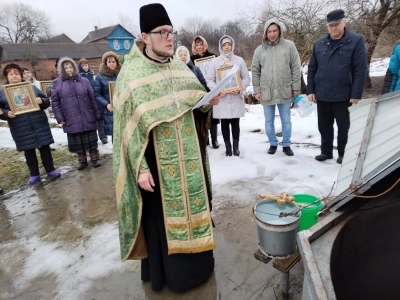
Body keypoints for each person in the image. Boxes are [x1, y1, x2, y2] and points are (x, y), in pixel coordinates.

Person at [113, 3, 222, 293]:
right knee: (159, 219)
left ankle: (199, 266)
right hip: (157, 168)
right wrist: (140, 168)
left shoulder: (181, 68)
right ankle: (169, 275)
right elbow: (125, 131)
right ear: (145, 36)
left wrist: (205, 107)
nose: (170, 38)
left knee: (194, 208)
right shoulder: (130, 76)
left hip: (190, 162)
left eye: (172, 32)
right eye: (162, 33)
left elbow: (194, 107)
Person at [307, 9, 367, 164]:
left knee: (344, 127)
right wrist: (311, 90)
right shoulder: (319, 43)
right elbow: (312, 68)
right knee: (324, 126)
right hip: (322, 93)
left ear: (344, 22)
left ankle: (343, 153)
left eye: (336, 24)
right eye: (330, 25)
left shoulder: (355, 41)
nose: (333, 28)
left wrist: (356, 93)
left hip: (344, 94)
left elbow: (361, 69)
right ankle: (326, 152)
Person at [0, 63, 60, 184]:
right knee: (29, 152)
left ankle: (50, 169)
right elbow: (0, 110)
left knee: (45, 149)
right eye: (11, 74)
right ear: (7, 77)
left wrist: (41, 101)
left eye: (16, 74)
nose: (14, 76)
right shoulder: (3, 92)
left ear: (21, 75)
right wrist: (6, 114)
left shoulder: (31, 87)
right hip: (20, 126)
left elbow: (46, 101)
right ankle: (34, 174)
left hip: (38, 123)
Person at [251, 18, 301, 157]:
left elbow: (296, 67)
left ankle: (286, 144)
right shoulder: (259, 50)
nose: (272, 34)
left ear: (279, 31)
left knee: (286, 120)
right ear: (265, 33)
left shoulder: (289, 46)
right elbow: (255, 71)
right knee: (268, 120)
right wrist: (257, 90)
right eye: (269, 31)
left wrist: (295, 87)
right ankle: (272, 143)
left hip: (285, 89)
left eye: (275, 31)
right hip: (267, 90)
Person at [51, 57, 103, 170]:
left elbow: (92, 97)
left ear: (74, 68)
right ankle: (82, 160)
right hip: (70, 116)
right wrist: (60, 118)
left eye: (70, 67)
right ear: (61, 69)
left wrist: (97, 113)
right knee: (77, 139)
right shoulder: (57, 83)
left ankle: (95, 158)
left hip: (87, 114)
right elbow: (55, 102)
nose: (69, 70)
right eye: (66, 68)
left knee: (90, 138)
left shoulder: (84, 80)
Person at [206, 35, 250, 156]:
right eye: (224, 45)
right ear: (221, 47)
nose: (227, 47)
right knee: (225, 123)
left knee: (235, 123)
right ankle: (228, 147)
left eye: (229, 45)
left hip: (235, 97)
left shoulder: (239, 60)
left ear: (232, 46)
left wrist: (240, 89)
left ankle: (236, 147)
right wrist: (217, 90)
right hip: (222, 99)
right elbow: (209, 79)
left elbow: (246, 77)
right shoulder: (215, 62)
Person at [191, 35, 220, 149]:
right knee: (202, 115)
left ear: (205, 45)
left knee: (213, 116)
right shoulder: (192, 60)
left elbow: (219, 71)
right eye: (197, 45)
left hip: (211, 89)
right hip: (199, 91)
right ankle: (205, 138)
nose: (199, 47)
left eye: (201, 44)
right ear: (194, 47)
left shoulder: (212, 57)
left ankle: (215, 139)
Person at [78, 58, 108, 145]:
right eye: (82, 65)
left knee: (100, 119)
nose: (85, 67)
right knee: (91, 120)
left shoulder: (93, 75)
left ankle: (103, 137)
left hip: (96, 100)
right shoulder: (79, 77)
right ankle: (94, 137)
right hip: (87, 102)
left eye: (86, 65)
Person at [94, 51, 121, 142]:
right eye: (109, 62)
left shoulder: (122, 74)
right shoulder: (100, 77)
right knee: (116, 134)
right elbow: (97, 94)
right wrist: (106, 104)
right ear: (105, 63)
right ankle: (117, 154)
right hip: (110, 110)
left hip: (123, 108)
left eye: (113, 62)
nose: (112, 64)